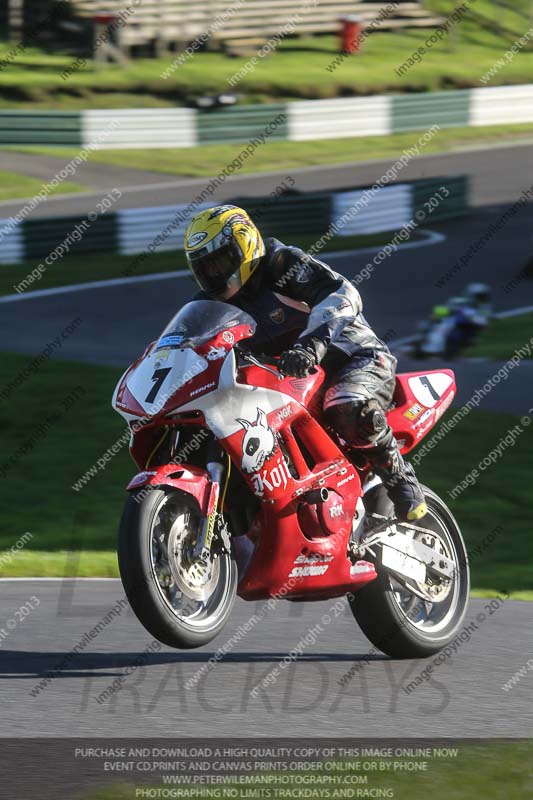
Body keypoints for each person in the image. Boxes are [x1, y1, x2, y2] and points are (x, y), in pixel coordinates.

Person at [183, 204, 427, 522]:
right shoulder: (207, 302)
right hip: (287, 382)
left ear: (243, 246)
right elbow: (183, 344)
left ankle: (402, 484)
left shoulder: (280, 263)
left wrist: (310, 346)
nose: (213, 275)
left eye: (219, 262)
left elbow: (343, 293)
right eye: (204, 268)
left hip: (355, 358)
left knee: (346, 403)